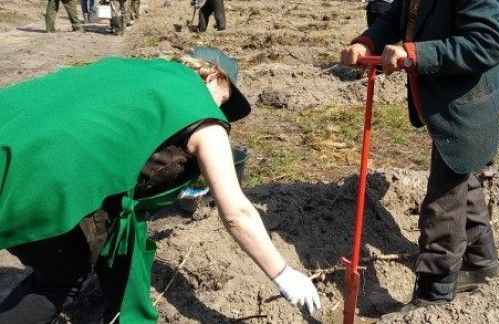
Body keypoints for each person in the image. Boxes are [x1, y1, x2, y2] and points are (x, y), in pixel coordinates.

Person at [0, 48, 321, 323]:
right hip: (44, 181)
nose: (220, 111)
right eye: (224, 101)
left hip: (11, 138)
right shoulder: (203, 117)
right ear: (211, 77)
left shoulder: (131, 71)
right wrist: (283, 274)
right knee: (62, 275)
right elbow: (237, 212)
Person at [340, 0, 499, 313]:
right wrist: (367, 42)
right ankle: (481, 262)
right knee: (462, 177)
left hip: (466, 102)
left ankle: (433, 295)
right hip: (439, 97)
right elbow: (397, 15)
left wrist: (415, 55)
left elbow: (488, 44)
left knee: (441, 204)